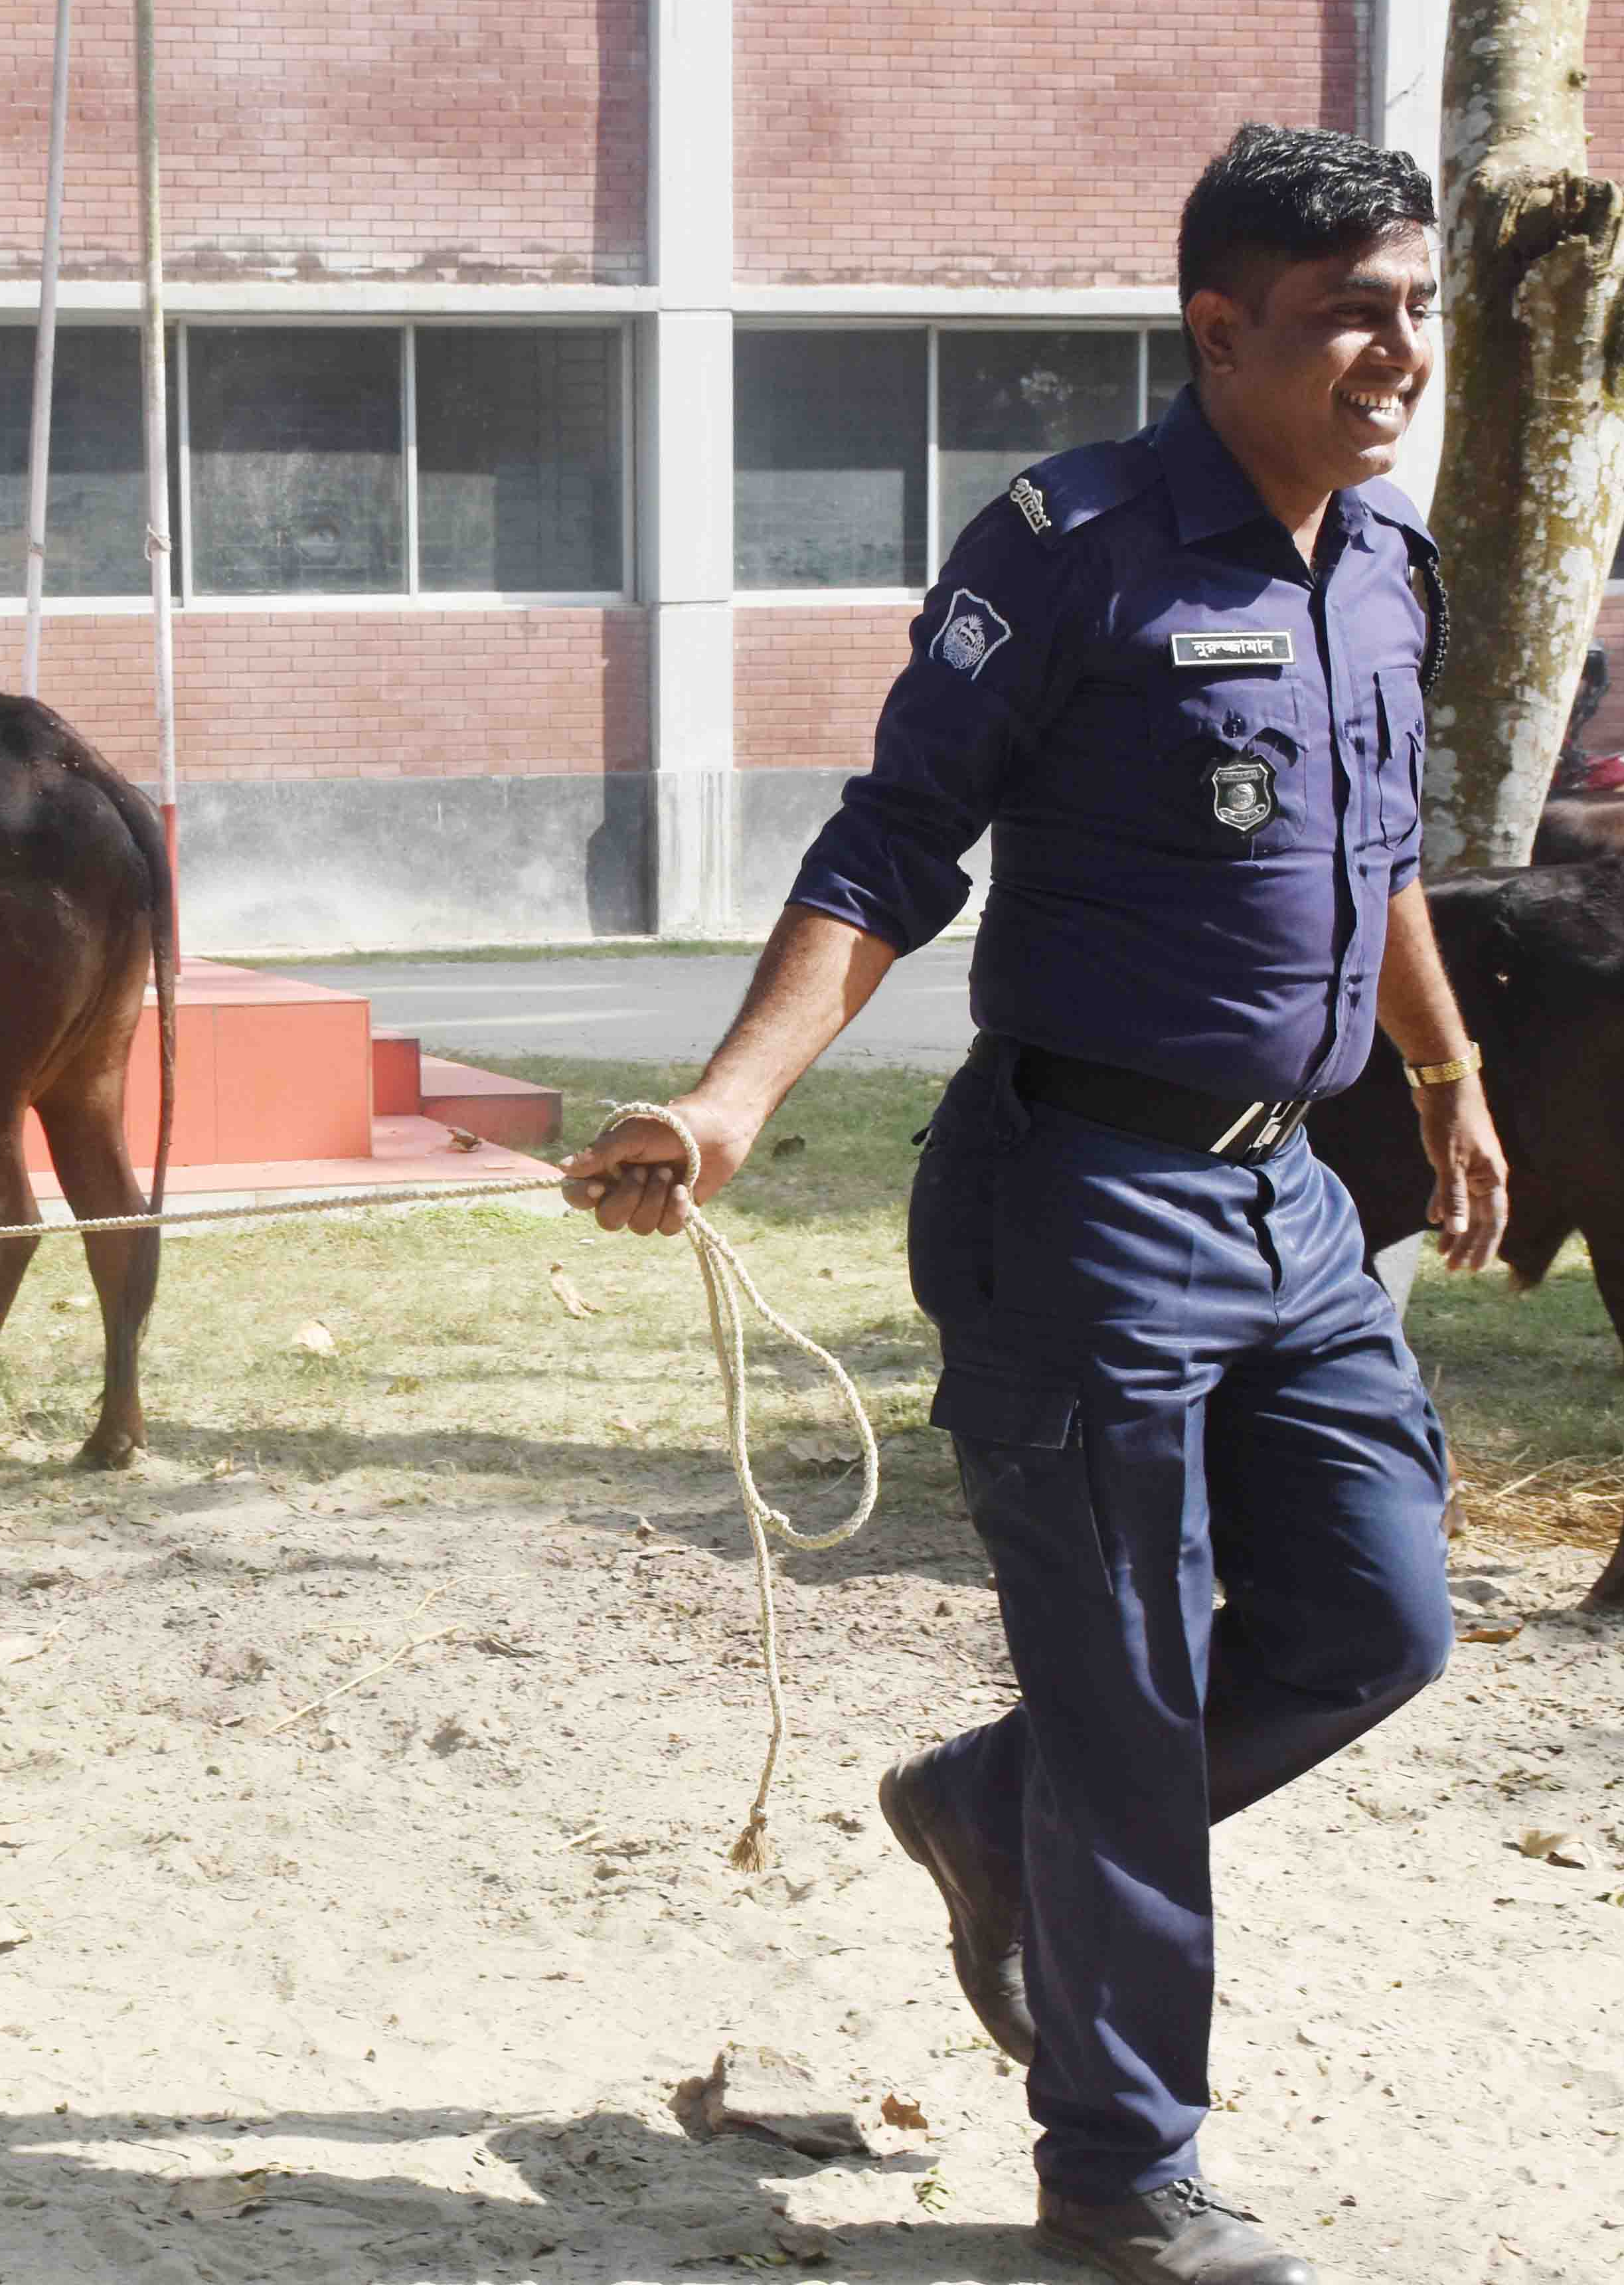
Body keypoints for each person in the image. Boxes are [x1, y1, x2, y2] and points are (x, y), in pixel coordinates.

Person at [567, 125, 1510, 2285]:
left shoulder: (1381, 564)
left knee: (1373, 1621)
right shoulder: (1067, 547)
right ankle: (1114, 2172)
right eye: (1349, 308)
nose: (1395, 349)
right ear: (1215, 327)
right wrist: (723, 1101)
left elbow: (1370, 857)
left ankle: (989, 1817)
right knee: (1129, 1704)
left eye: (1413, 306)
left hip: (1287, 1217)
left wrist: (1439, 1075)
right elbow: (889, 842)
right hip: (1076, 1201)